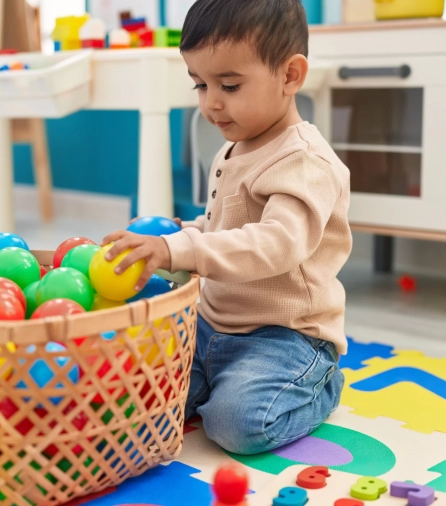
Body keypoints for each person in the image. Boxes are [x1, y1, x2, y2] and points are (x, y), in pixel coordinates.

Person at [101, 0, 351, 454]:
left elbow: (275, 243)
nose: (211, 102)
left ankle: (321, 385)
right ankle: (219, 382)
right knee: (140, 397)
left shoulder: (304, 162)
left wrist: (179, 249)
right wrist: (178, 232)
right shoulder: (235, 145)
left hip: (286, 336)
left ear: (290, 76)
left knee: (237, 424)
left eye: (230, 85)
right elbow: (226, 226)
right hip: (211, 326)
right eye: (200, 84)